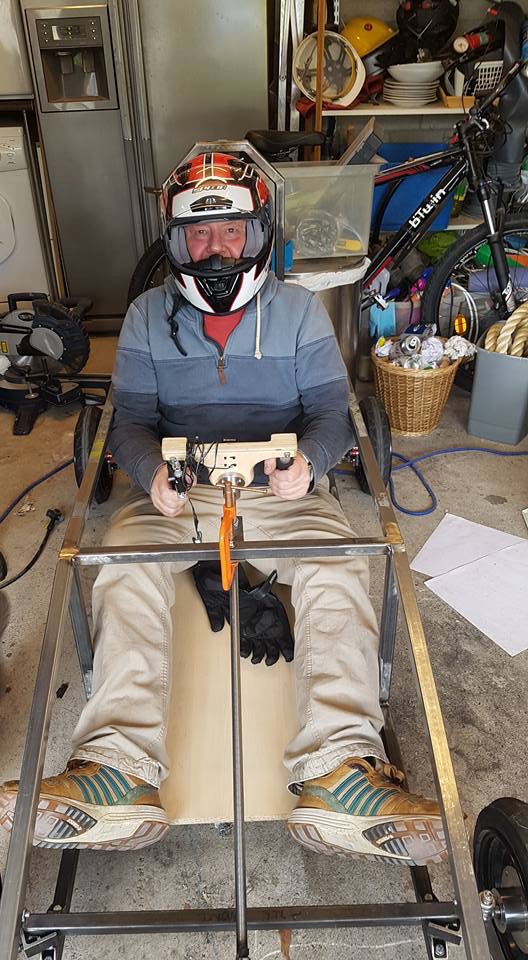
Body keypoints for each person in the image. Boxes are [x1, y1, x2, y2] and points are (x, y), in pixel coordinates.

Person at [0, 153, 446, 865]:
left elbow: (332, 411)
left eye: (231, 230)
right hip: (182, 487)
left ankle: (340, 771)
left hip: (280, 486)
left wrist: (311, 464)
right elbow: (130, 419)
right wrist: (149, 474)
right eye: (199, 234)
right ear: (176, 242)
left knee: (338, 567)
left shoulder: (299, 311)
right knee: (121, 567)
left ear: (257, 232)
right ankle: (117, 770)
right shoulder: (146, 316)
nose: (215, 249)